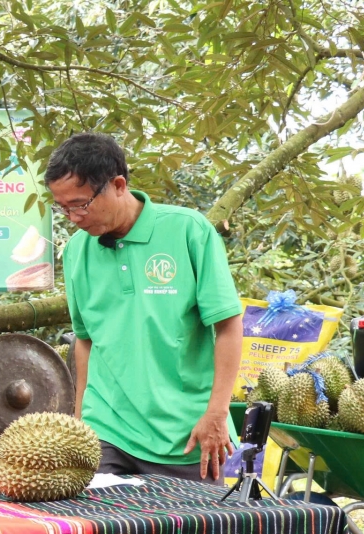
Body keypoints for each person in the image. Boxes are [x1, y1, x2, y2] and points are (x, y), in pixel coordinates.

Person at [45, 133, 243, 482]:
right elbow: (86, 341)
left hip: (185, 432)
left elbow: (228, 324)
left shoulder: (188, 230)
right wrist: (80, 427)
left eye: (80, 204)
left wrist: (216, 412)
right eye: (63, 208)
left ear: (118, 185)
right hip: (107, 431)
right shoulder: (77, 252)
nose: (73, 217)